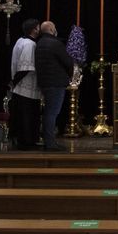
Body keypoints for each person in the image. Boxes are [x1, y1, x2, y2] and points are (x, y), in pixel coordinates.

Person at [33, 20, 76, 151]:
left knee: (48, 112)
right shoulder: (55, 43)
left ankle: (48, 140)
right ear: (52, 30)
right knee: (52, 113)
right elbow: (68, 61)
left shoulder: (39, 43)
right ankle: (50, 143)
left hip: (44, 82)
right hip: (55, 82)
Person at [9, 18, 41, 149]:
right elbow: (25, 67)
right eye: (38, 27)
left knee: (23, 115)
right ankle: (27, 142)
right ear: (34, 29)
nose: (39, 29)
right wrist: (14, 83)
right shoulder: (29, 44)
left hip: (21, 87)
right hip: (25, 87)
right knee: (27, 116)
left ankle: (24, 140)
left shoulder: (20, 41)